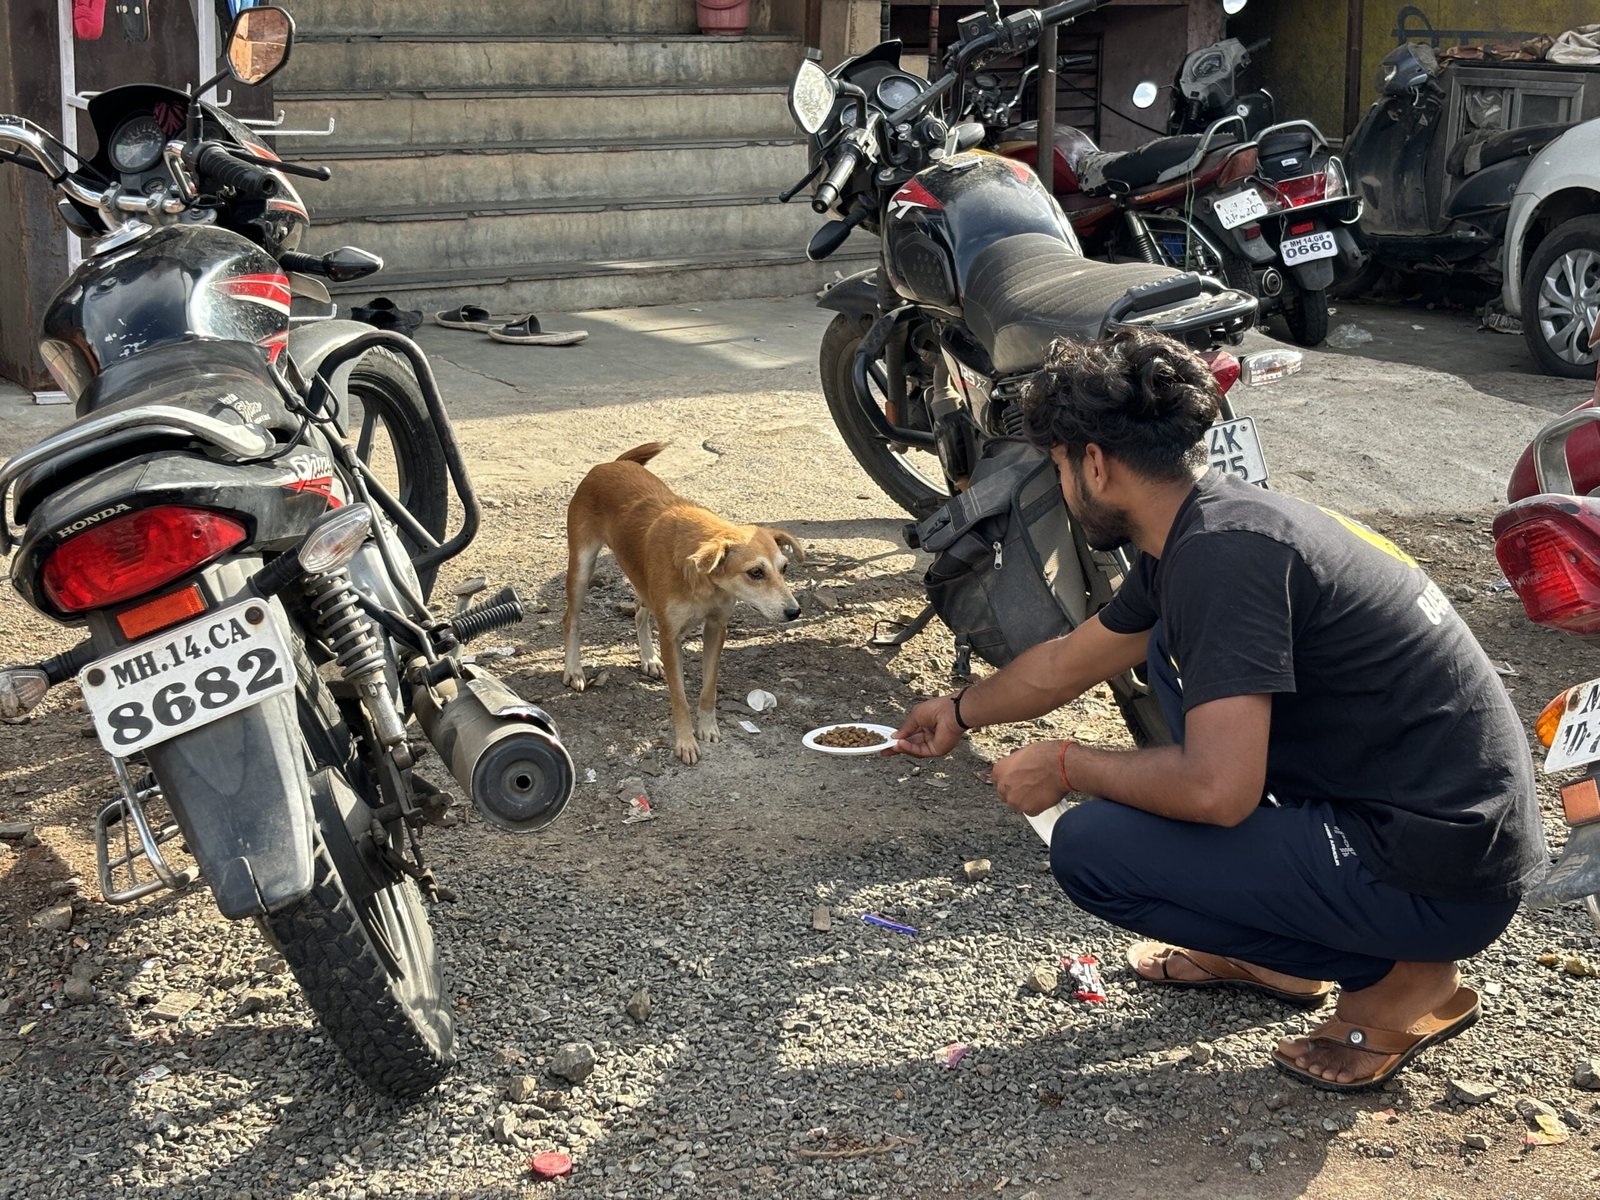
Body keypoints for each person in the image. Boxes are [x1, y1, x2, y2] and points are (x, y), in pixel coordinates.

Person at [889, 329, 1544, 1092]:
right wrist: (960, 710)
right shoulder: (1204, 526)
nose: (1063, 485)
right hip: (1419, 826)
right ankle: (1278, 954)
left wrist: (1068, 765)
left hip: (1441, 877)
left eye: (1059, 467)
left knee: (1092, 847)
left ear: (1094, 464)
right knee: (1169, 658)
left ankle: (1406, 981)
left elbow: (1216, 790)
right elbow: (1073, 660)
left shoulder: (1223, 560)